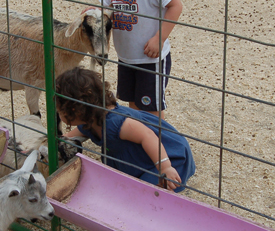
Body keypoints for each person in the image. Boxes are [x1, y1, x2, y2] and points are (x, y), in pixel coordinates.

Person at [56, 67, 195, 192]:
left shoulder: (115, 123)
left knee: (146, 193)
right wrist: (61, 140)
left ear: (75, 109)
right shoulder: (90, 121)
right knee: (127, 187)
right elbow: (73, 135)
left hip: (168, 156)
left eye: (59, 109)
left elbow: (148, 136)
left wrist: (165, 168)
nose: (57, 112)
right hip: (143, 160)